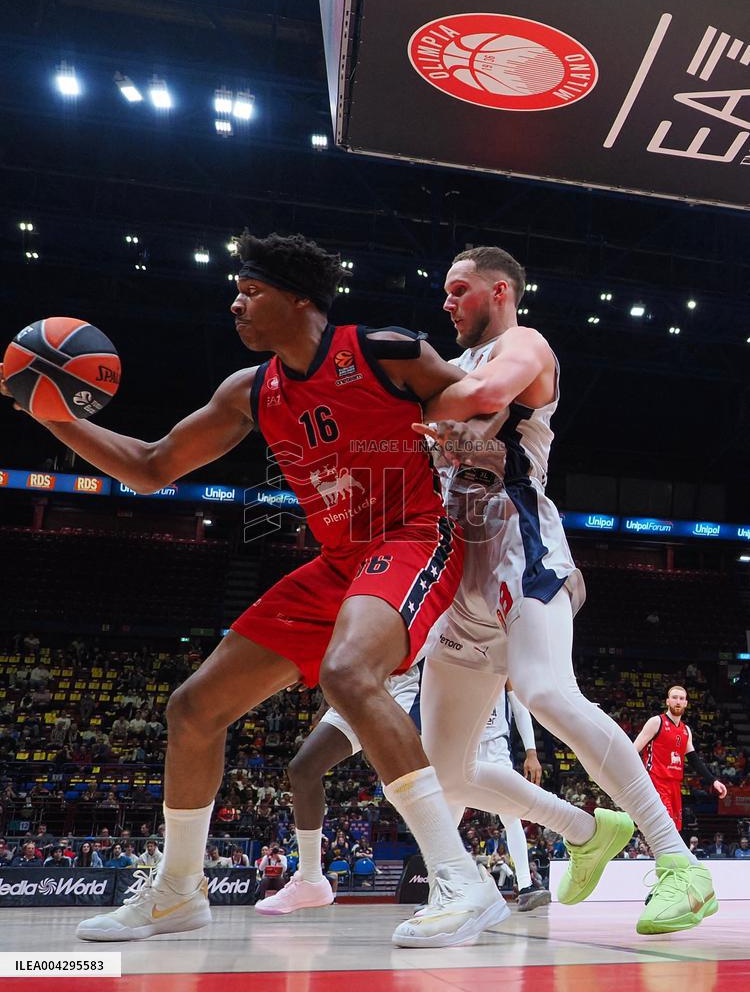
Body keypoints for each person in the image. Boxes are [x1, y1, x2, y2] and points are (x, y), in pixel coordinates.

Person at [2, 230, 506, 947]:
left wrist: (470, 439)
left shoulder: (383, 350)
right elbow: (151, 466)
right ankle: (178, 891)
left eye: (250, 290)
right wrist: (58, 415)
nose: (235, 303)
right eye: (236, 292)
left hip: (414, 534)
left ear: (300, 298)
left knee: (346, 672)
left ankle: (462, 881)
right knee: (194, 708)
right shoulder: (250, 390)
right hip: (337, 560)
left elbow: (482, 407)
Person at [413, 245, 717, 937]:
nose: (447, 302)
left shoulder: (525, 344)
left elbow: (488, 397)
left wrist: (395, 385)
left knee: (546, 691)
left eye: (458, 290)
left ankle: (679, 865)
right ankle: (585, 830)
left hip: (519, 540)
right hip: (454, 566)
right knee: (450, 774)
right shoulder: (442, 367)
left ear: (499, 291)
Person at [254, 663, 421, 917]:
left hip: (405, 683)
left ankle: (453, 879)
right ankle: (310, 878)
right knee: (303, 769)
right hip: (356, 685)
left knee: (407, 784)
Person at [474, 680, 551, 912]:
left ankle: (526, 887)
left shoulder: (502, 658)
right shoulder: (456, 650)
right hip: (464, 743)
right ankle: (438, 890)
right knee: (451, 809)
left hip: (496, 746)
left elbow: (519, 705)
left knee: (510, 813)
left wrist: (531, 751)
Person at [633, 686, 728, 832]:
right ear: (667, 701)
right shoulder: (656, 722)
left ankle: (667, 854)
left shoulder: (686, 730)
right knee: (666, 827)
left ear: (685, 703)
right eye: (674, 697)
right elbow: (633, 751)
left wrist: (713, 781)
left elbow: (694, 760)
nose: (678, 701)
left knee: (676, 829)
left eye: (681, 698)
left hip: (675, 785)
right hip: (656, 781)